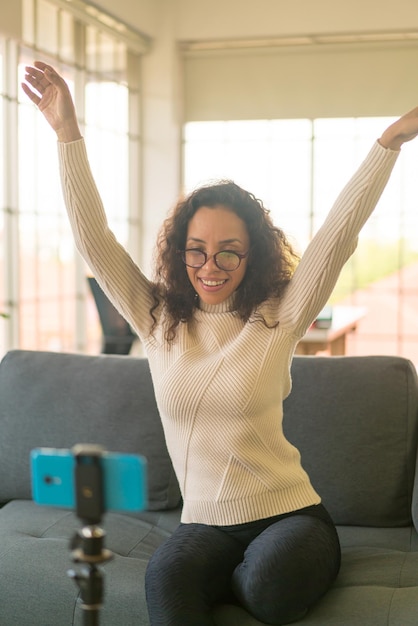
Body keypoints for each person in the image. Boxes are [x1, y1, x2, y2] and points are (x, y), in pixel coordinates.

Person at [22, 60, 418, 626]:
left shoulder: (277, 315)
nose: (211, 266)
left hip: (291, 517)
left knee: (267, 590)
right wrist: (67, 133)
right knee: (166, 582)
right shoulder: (157, 319)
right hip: (203, 524)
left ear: (251, 254)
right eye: (196, 249)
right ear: (179, 252)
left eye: (229, 250)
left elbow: (338, 232)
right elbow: (93, 239)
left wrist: (391, 141)